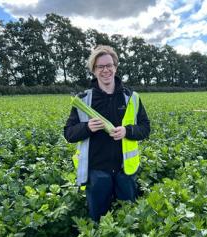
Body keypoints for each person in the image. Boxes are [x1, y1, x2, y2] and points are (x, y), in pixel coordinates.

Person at [64, 45, 150, 222]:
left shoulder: (131, 97)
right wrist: (87, 127)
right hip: (96, 172)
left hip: (125, 170)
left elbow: (145, 128)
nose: (105, 70)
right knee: (99, 220)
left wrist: (128, 131)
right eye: (100, 66)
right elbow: (69, 134)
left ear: (115, 67)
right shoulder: (83, 100)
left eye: (109, 65)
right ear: (94, 70)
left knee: (129, 220)